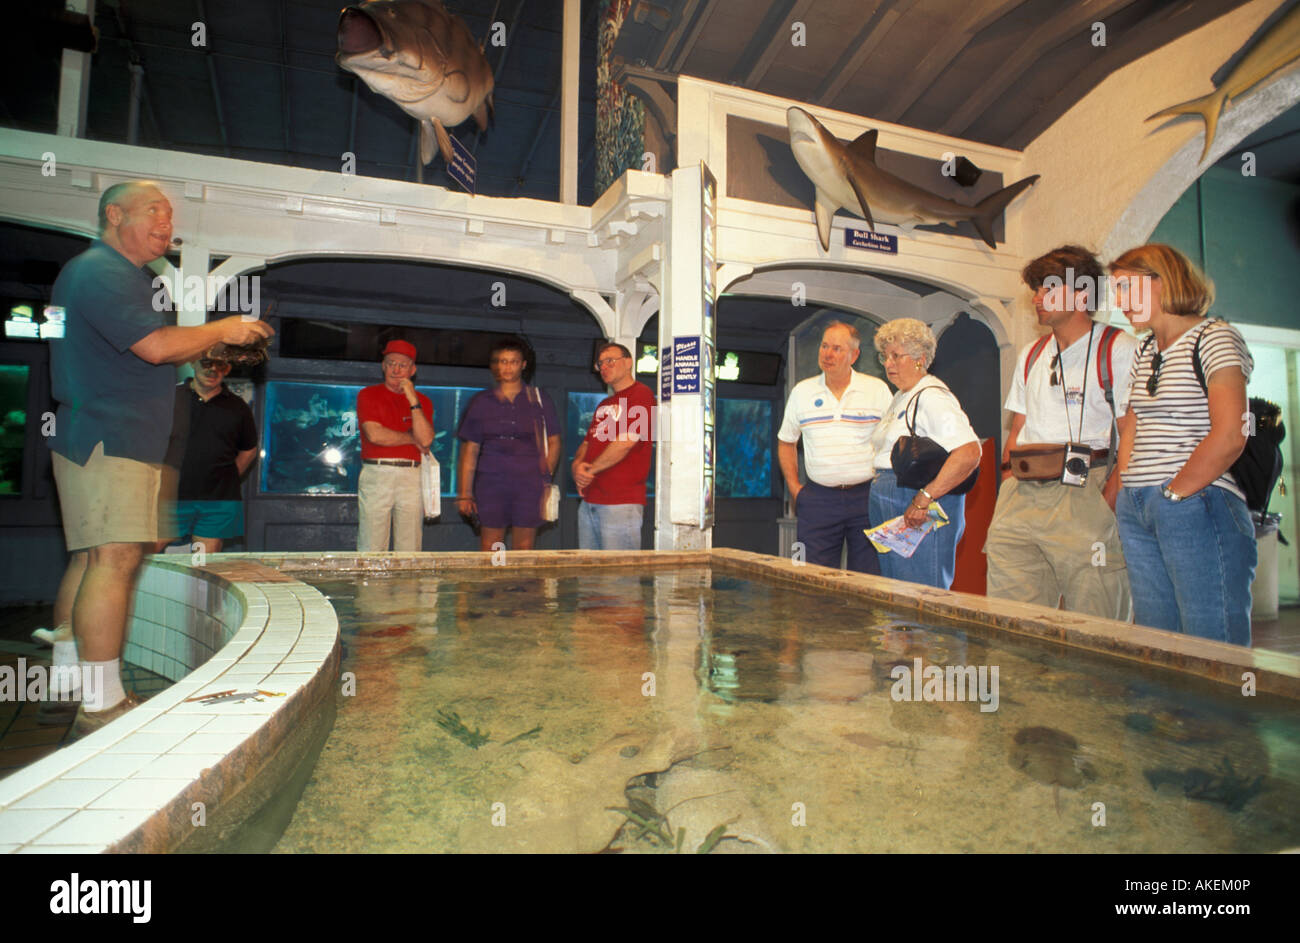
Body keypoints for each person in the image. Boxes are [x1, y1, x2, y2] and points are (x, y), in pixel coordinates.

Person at [47, 180, 273, 736]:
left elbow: (158, 346)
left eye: (171, 214)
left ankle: (68, 673)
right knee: (115, 560)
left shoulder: (127, 278)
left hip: (108, 438)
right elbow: (155, 347)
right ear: (113, 214)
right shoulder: (102, 271)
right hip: (109, 439)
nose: (166, 222)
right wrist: (223, 327)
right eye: (155, 210)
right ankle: (101, 705)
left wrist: (211, 345)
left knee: (90, 557)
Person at [1109, 244, 1255, 645]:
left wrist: (1175, 493)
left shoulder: (1215, 336)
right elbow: (1132, 425)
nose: (1118, 301)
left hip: (1195, 502)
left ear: (1161, 281)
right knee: (1157, 644)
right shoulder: (1145, 350)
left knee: (1211, 645)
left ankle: (1217, 711)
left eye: (1125, 287)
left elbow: (1231, 432)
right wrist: (1128, 488)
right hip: (1139, 504)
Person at [985, 246, 1136, 620]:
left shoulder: (1119, 348)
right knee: (1011, 619)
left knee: (1096, 619)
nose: (1038, 298)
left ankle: (1099, 681)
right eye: (1036, 289)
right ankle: (1018, 680)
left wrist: (1113, 493)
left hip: (1086, 489)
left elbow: (1132, 429)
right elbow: (1017, 428)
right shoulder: (1032, 354)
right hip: (1020, 495)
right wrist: (1007, 478)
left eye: (1048, 288)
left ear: (1082, 293)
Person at [867, 318, 981, 589]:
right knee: (898, 591)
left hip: (913, 501)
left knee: (921, 593)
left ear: (919, 358)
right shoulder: (902, 396)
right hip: (893, 498)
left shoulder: (932, 396)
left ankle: (922, 634)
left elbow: (969, 453)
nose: (888, 363)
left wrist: (924, 499)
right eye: (885, 356)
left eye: (896, 356)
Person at [776, 321, 892, 573]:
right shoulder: (801, 392)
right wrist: (796, 489)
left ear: (854, 355)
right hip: (818, 499)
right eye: (824, 346)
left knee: (867, 577)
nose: (827, 354)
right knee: (815, 579)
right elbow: (786, 442)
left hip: (867, 497)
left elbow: (893, 443)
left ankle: (860, 615)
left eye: (837, 349)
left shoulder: (877, 390)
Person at [456, 339, 560, 550]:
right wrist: (465, 492)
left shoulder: (539, 399)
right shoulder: (481, 401)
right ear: (496, 365)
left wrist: (544, 478)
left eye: (513, 361)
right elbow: (470, 449)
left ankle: (523, 584)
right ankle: (494, 584)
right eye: (502, 361)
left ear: (523, 365)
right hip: (490, 484)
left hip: (529, 485)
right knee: (492, 546)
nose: (507, 366)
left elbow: (554, 441)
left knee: (524, 547)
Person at [154, 356, 258, 555]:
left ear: (227, 369)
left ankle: (198, 587)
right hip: (170, 497)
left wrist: (227, 477)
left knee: (203, 560)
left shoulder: (238, 407)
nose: (213, 370)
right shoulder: (170, 398)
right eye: (207, 363)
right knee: (147, 554)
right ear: (193, 363)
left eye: (220, 365)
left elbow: (249, 449)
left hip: (216, 502)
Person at [571, 342, 656, 550]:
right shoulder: (604, 405)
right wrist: (577, 468)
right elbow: (587, 443)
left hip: (621, 501)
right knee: (588, 576)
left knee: (619, 579)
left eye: (610, 361)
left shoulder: (642, 395)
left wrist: (590, 470)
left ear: (628, 363)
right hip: (590, 500)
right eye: (600, 364)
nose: (604, 367)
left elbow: (626, 442)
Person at [356, 339, 435, 551]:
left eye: (403, 365)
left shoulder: (423, 401)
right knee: (371, 544)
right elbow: (375, 434)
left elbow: (426, 440)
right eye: (391, 363)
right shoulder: (368, 394)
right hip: (377, 471)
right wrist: (412, 438)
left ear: (413, 369)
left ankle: (408, 586)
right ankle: (371, 585)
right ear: (383, 366)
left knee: (410, 545)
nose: (396, 369)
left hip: (412, 474)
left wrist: (412, 399)